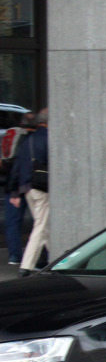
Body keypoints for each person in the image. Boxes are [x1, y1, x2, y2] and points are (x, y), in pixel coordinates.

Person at [8, 108, 49, 276]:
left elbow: (17, 167)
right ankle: (26, 266)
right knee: (41, 226)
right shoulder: (49, 138)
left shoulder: (28, 141)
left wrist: (14, 192)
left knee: (45, 227)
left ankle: (62, 261)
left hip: (27, 188)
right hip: (43, 188)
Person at [3, 111, 34, 264]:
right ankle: (40, 256)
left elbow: (6, 163)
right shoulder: (35, 138)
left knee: (13, 222)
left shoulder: (11, 135)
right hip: (33, 184)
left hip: (14, 185)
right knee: (40, 222)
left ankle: (15, 256)